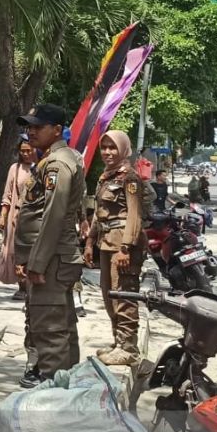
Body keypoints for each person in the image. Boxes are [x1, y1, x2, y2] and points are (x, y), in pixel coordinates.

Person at [14, 103, 86, 388]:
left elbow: (53, 216)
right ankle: (66, 390)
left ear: (57, 130)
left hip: (53, 259)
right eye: (28, 127)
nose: (31, 132)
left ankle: (54, 396)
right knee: (60, 326)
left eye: (37, 127)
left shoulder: (57, 164)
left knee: (50, 330)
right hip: (54, 257)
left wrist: (37, 263)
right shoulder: (52, 160)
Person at [84, 131, 147, 365]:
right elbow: (99, 214)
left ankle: (128, 348)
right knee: (109, 295)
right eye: (105, 148)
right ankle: (118, 341)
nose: (108, 152)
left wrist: (126, 248)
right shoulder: (106, 177)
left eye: (113, 148)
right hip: (106, 241)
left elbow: (134, 214)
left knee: (124, 295)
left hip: (122, 245)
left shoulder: (129, 178)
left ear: (123, 149)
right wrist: (90, 242)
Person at [0, 138, 38, 302]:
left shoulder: (41, 167)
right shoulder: (16, 168)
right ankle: (22, 286)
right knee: (16, 251)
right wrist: (2, 217)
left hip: (36, 216)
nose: (26, 154)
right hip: (16, 217)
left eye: (29, 150)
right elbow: (8, 195)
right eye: (23, 151)